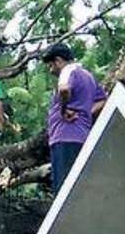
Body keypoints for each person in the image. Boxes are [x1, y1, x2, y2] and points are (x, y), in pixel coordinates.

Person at [42, 43, 107, 193]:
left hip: (65, 137)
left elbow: (64, 90)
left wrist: (64, 109)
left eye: (51, 66)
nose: (51, 71)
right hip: (81, 136)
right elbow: (102, 100)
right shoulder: (88, 76)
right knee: (76, 187)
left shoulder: (68, 70)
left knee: (63, 190)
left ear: (58, 61)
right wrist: (86, 113)